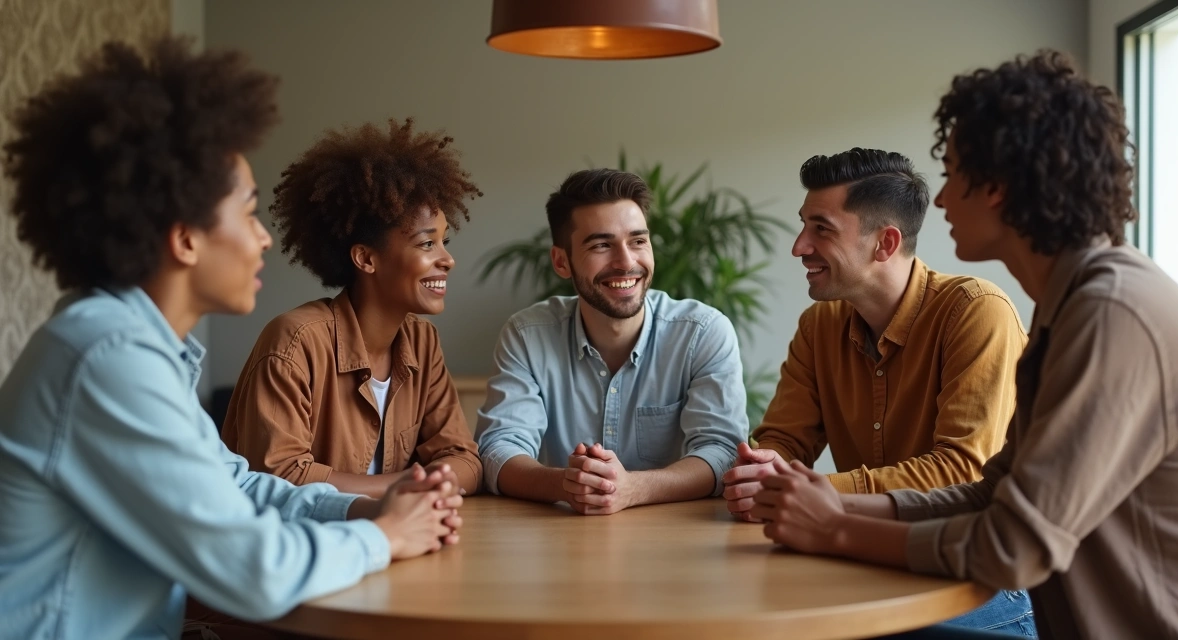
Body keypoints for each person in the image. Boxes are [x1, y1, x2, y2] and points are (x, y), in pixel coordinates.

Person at [0, 38, 461, 640]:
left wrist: (364, 507)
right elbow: (251, 570)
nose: (264, 238)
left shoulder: (129, 348)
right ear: (186, 238)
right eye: (247, 212)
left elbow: (237, 486)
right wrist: (385, 536)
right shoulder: (108, 358)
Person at [754, 50, 1178, 639]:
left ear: (997, 185)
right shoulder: (1073, 302)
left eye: (951, 174)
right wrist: (831, 502)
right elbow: (992, 493)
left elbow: (1013, 546)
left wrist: (834, 529)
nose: (940, 199)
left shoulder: (1111, 312)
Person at [724, 148, 1033, 635]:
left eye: (821, 229)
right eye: (804, 225)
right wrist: (763, 471)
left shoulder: (978, 312)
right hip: (867, 555)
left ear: (885, 243)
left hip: (982, 574)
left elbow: (962, 471)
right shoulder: (819, 325)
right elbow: (783, 441)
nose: (799, 246)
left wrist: (811, 494)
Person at [220, 119, 483, 498]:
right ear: (366, 258)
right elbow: (278, 478)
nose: (448, 260)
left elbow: (463, 457)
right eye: (428, 244)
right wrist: (403, 487)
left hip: (396, 539)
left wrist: (425, 484)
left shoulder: (422, 342)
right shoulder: (294, 342)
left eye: (444, 241)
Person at [476, 168, 747, 514]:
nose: (626, 262)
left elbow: (721, 451)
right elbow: (498, 450)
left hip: (676, 541)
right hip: (561, 538)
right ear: (561, 261)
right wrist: (567, 485)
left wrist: (633, 489)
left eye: (638, 241)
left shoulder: (703, 332)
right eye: (602, 245)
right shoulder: (527, 335)